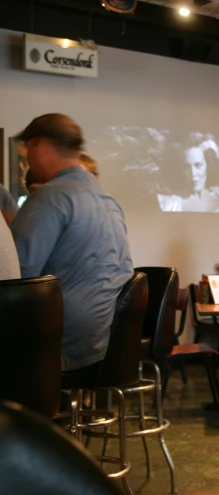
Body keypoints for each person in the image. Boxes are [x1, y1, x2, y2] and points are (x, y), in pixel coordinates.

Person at [11, 113, 134, 370]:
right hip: (108, 341)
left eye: (27, 149)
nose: (27, 158)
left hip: (62, 345)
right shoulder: (106, 199)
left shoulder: (50, 197)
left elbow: (14, 279)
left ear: (40, 146)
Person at [157, 135, 219, 213]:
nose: (193, 173)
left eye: (198, 165)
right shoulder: (167, 204)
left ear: (208, 164)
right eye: (186, 167)